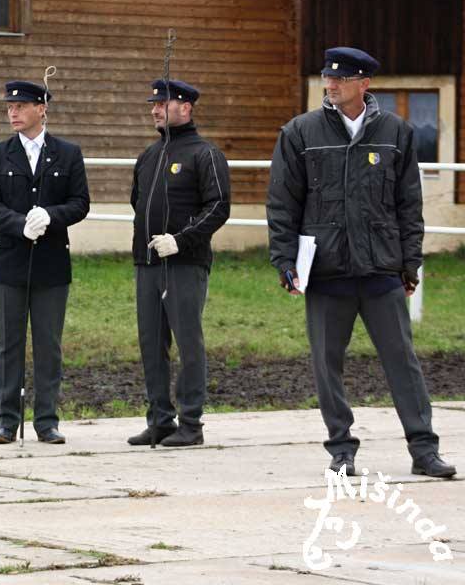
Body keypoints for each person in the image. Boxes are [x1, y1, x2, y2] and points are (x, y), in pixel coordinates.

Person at [266, 46, 455, 478]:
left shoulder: (396, 132)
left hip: (380, 270)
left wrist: (411, 264)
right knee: (326, 364)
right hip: (326, 270)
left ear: (363, 84)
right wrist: (285, 260)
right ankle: (341, 450)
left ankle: (424, 450)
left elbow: (409, 204)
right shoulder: (300, 132)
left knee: (402, 361)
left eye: (340, 79)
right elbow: (282, 203)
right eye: (327, 78)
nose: (330, 85)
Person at [0, 80, 90, 444]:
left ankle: (47, 421)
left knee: (48, 343)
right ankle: (5, 422)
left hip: (51, 262)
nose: (13, 112)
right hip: (9, 260)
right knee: (8, 343)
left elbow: (80, 202)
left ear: (42, 109)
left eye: (21, 106)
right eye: (10, 106)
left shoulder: (68, 153)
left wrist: (51, 217)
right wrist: (19, 224)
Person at [127, 79, 230, 448]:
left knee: (188, 341)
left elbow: (218, 207)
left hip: (185, 264)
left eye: (162, 103)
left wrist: (181, 239)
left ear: (185, 108)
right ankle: (159, 418)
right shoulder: (149, 156)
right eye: (153, 103)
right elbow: (137, 201)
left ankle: (191, 421)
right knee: (150, 343)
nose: (154, 109)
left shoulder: (205, 154)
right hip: (148, 262)